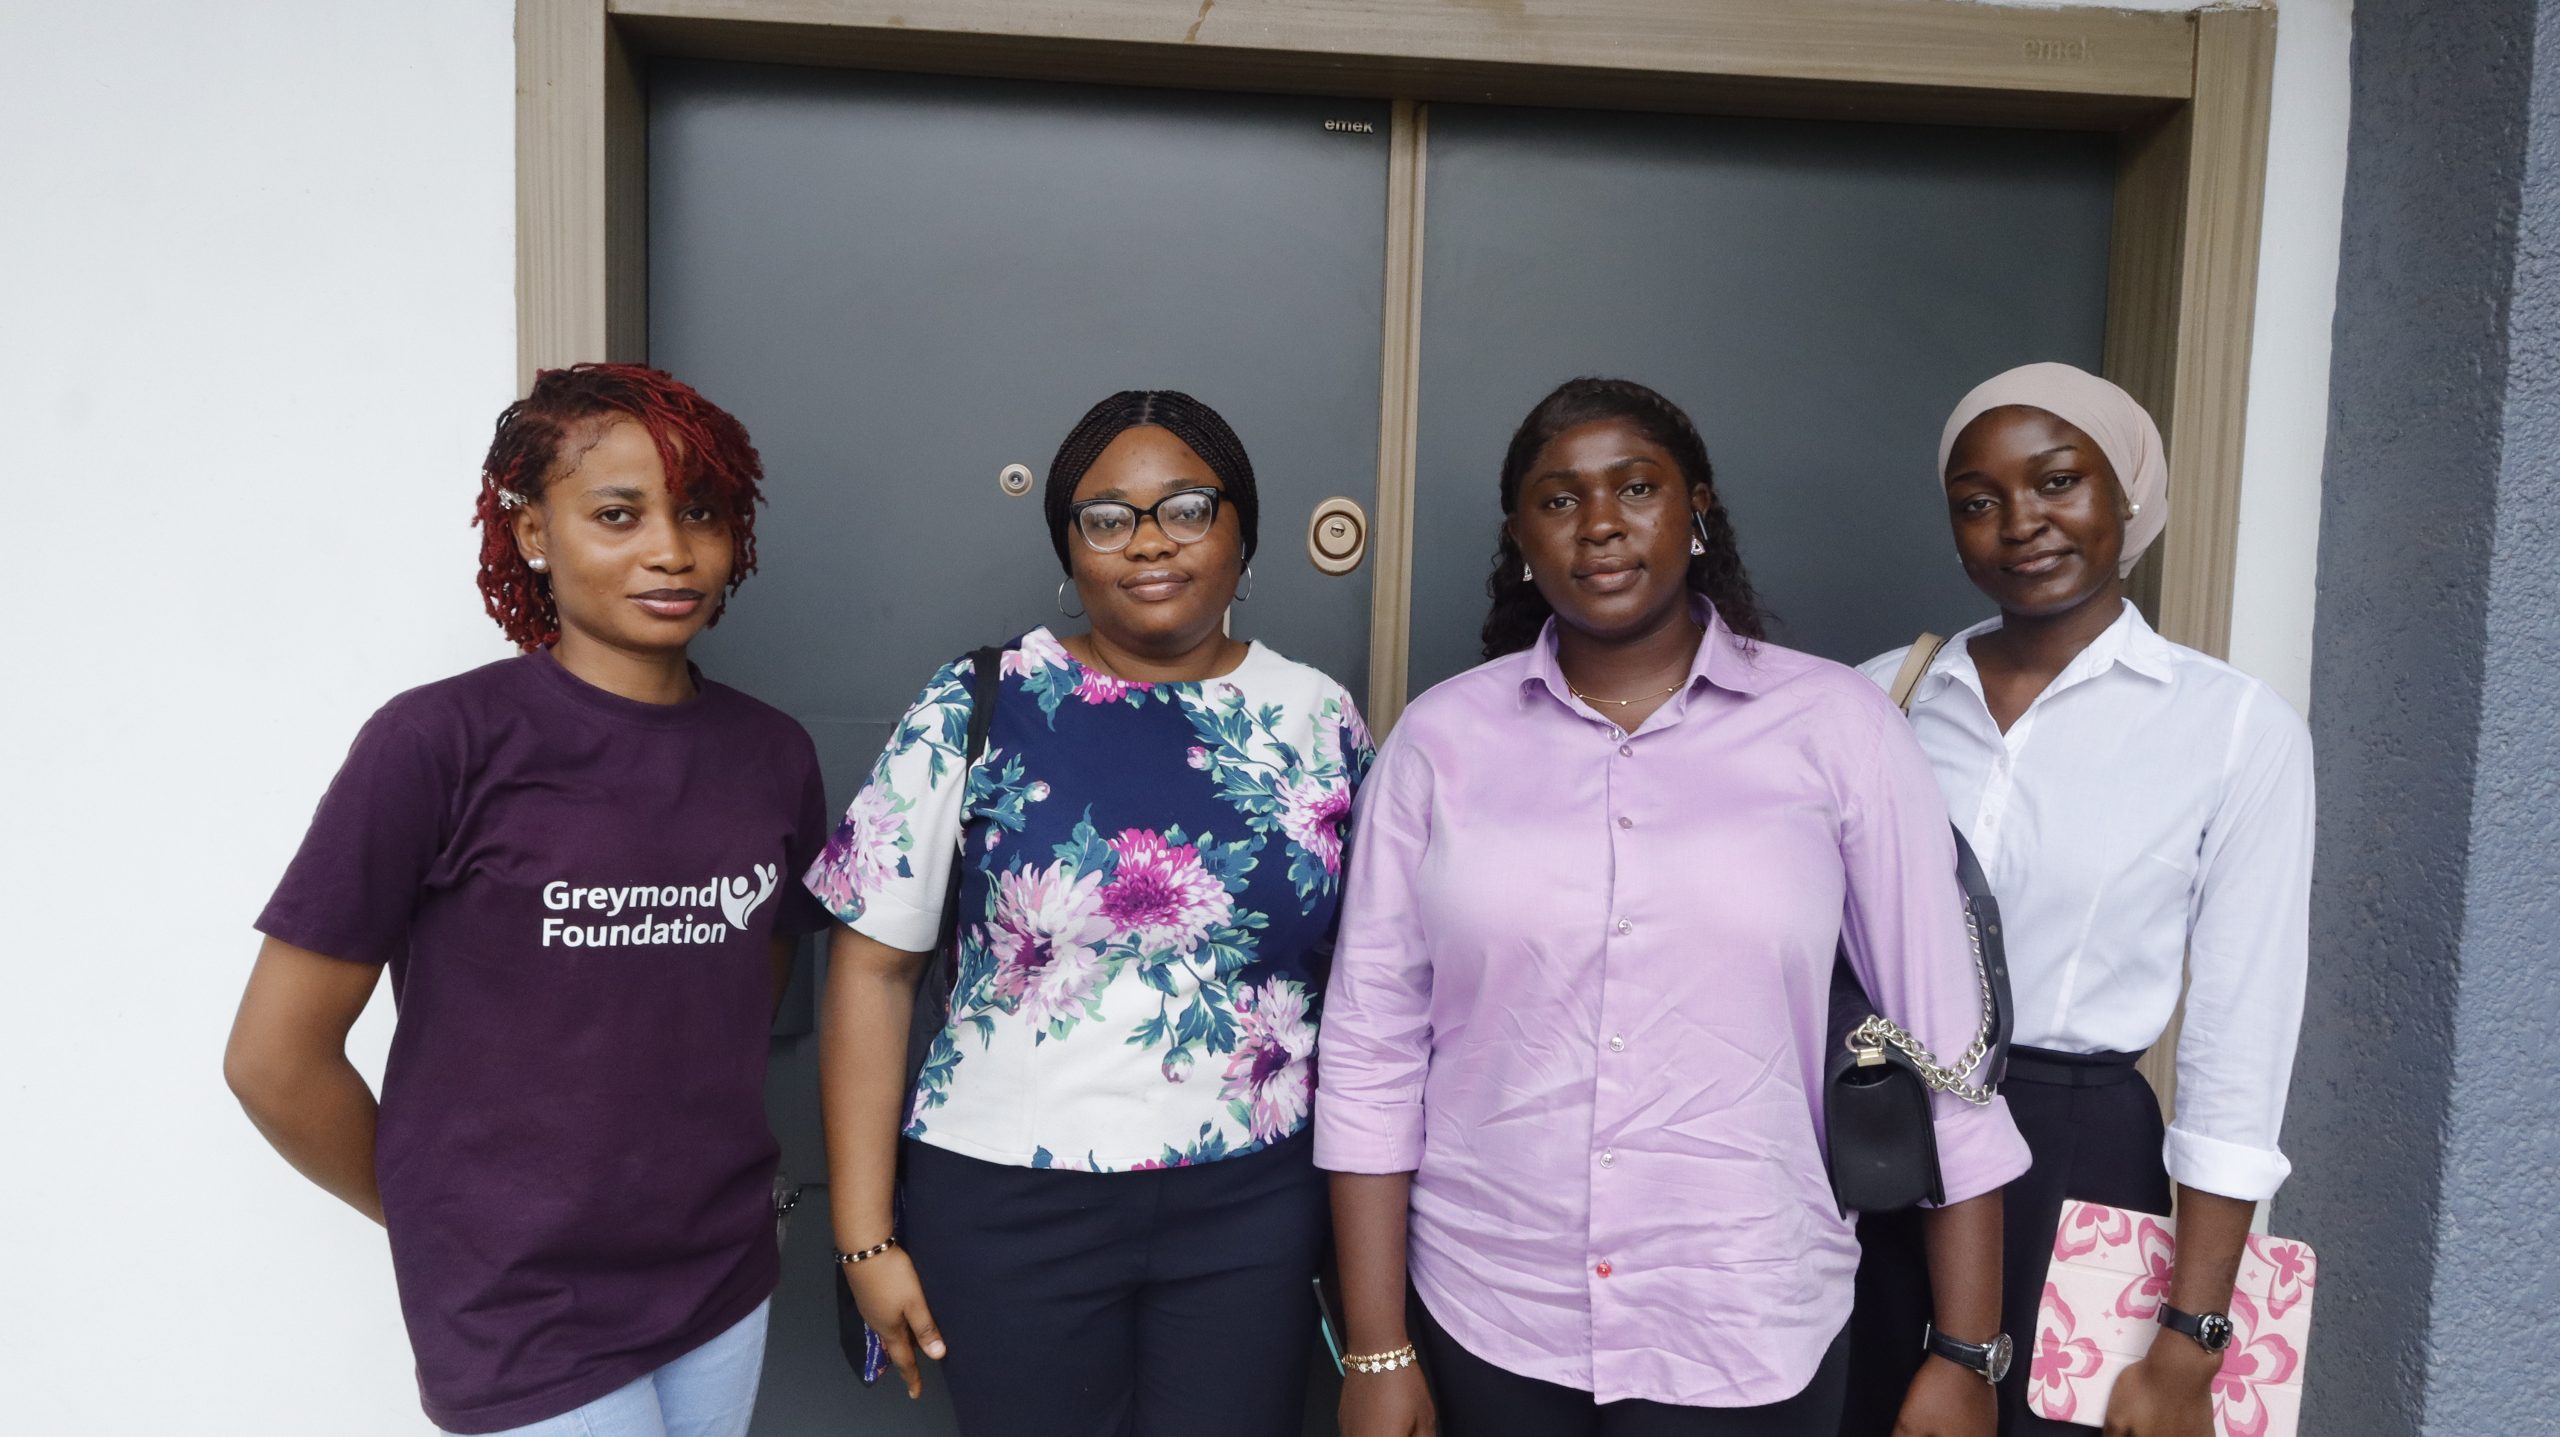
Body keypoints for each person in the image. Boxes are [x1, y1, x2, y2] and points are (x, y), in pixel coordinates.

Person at [1318, 377, 2028, 1437]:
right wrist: (1378, 1347)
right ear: (1521, 538)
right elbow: (1371, 1051)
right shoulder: (1437, 742)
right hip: (1490, 1311)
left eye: (1637, 488)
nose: (1600, 523)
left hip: (1749, 1317)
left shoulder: (1837, 727)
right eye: (1559, 500)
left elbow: (1948, 1050)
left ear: (1696, 511)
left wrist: (1967, 1352)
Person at [223, 363, 833, 1436]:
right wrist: (448, 1229)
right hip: (521, 1308)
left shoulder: (771, 755)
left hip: (719, 1275)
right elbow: (274, 1060)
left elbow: (739, 1007)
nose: (670, 549)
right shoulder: (437, 742)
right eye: (617, 514)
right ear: (533, 532)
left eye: (701, 512)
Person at [806, 390, 1373, 1436]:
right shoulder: (978, 700)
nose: (1148, 541)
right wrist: (863, 1237)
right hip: (1009, 1203)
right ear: (1070, 549)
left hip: (1253, 1204)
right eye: (1106, 518)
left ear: (1242, 532)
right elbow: (872, 969)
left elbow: (1372, 974)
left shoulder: (1317, 716)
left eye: (1187, 509)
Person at [1842, 362, 2313, 1437]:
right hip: (1877, 1141)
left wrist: (2192, 1336)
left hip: (2078, 1157)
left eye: (2058, 481)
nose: (2020, 523)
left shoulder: (2233, 730)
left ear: (2127, 493)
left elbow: (2238, 1047)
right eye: (1978, 500)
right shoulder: (1878, 697)